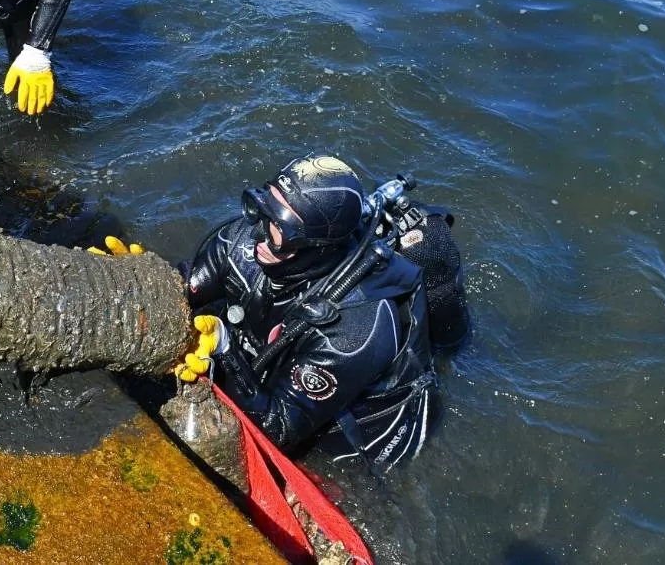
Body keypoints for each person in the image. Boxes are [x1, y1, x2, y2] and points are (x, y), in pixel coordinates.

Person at [173, 154, 469, 472]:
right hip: (279, 361)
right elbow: (186, 284)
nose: (257, 233)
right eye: (260, 208)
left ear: (317, 246)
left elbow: (277, 430)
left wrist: (226, 350)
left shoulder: (357, 327)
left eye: (278, 228)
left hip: (352, 432)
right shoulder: (250, 238)